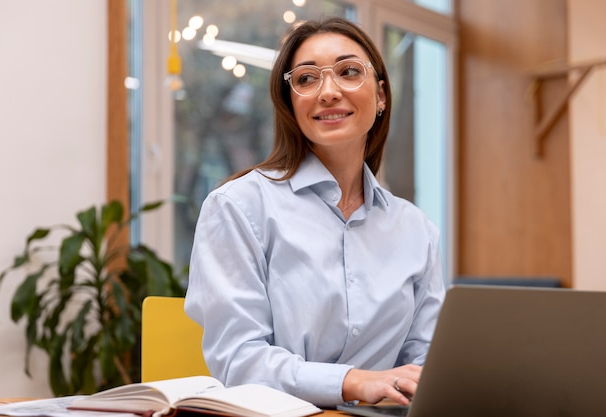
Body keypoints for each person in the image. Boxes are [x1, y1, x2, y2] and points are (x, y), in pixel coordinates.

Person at [184, 17, 446, 408]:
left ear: (381, 96)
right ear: (290, 102)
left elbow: (426, 362)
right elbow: (239, 361)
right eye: (306, 79)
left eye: (349, 72)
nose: (328, 92)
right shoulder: (238, 207)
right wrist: (352, 382)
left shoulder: (415, 229)